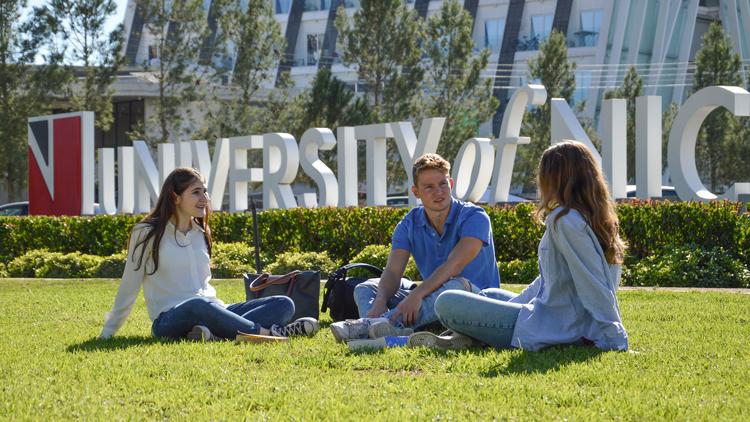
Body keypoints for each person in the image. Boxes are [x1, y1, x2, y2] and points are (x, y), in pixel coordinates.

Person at [409, 141, 628, 351]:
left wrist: (614, 336)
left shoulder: (566, 221)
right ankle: (466, 338)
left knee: (447, 302)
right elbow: (548, 280)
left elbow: (591, 282)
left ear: (556, 178)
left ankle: (462, 337)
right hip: (552, 315)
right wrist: (509, 308)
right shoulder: (586, 217)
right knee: (491, 295)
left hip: (558, 328)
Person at [99, 167, 319, 341]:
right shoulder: (147, 233)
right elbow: (130, 284)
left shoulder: (201, 232)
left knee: (283, 303)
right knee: (199, 305)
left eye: (204, 191)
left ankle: (211, 334)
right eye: (196, 192)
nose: (204, 198)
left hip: (214, 309)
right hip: (169, 319)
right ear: (175, 197)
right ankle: (267, 335)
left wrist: (218, 314)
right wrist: (108, 332)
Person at [330, 153, 501, 342]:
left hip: (479, 301)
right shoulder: (408, 223)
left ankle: (374, 326)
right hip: (432, 299)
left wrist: (417, 295)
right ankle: (386, 326)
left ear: (451, 184)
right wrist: (380, 301)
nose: (439, 192)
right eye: (429, 187)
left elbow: (455, 266)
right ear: (416, 192)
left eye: (443, 184)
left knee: (455, 287)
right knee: (366, 288)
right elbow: (394, 273)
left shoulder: (475, 217)